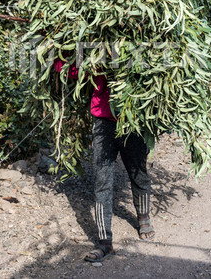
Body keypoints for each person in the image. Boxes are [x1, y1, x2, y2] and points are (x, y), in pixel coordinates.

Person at [54, 58, 156, 263]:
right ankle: (104, 241)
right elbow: (69, 70)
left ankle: (144, 217)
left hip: (132, 123)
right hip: (103, 124)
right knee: (102, 181)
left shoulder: (135, 49)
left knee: (138, 173)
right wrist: (57, 50)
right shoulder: (95, 53)